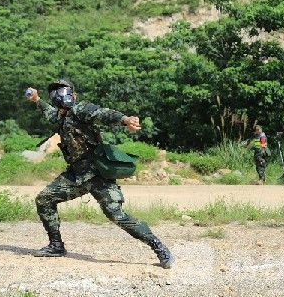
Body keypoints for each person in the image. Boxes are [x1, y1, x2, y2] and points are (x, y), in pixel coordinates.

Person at [26, 80, 174, 269]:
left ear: (74, 94)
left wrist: (125, 119)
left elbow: (102, 113)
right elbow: (49, 114)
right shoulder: (61, 117)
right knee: (44, 200)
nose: (59, 96)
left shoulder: (81, 109)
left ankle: (158, 246)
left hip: (98, 175)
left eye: (62, 91)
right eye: (55, 93)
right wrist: (37, 99)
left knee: (117, 216)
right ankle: (56, 245)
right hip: (76, 175)